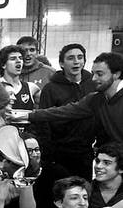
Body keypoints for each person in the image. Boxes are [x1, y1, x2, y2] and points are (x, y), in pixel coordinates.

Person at [14, 52, 123, 146]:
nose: (93, 78)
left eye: (100, 74)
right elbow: (63, 112)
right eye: (93, 73)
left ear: (116, 74)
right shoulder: (95, 99)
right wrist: (26, 115)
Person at [38, 43, 97, 180]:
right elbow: (43, 123)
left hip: (86, 152)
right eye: (71, 58)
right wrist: (48, 156)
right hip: (59, 154)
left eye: (80, 57)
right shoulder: (50, 88)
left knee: (83, 191)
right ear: (61, 63)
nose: (76, 61)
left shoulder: (93, 85)